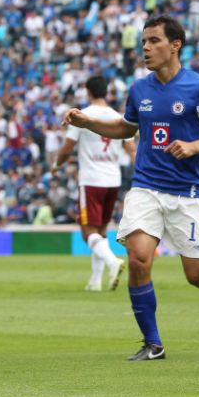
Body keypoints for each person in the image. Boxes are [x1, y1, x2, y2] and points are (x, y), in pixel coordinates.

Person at [63, 15, 199, 361]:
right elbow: (126, 128)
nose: (146, 48)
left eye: (153, 41)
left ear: (175, 45)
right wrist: (88, 121)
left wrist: (195, 147)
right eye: (144, 43)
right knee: (137, 258)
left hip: (189, 193)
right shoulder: (139, 89)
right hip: (146, 187)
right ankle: (153, 344)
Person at [52, 75, 137, 292]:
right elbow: (131, 150)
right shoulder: (119, 117)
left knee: (87, 232)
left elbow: (67, 147)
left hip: (91, 180)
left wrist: (56, 164)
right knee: (100, 231)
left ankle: (112, 262)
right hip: (113, 181)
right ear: (106, 92)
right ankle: (95, 281)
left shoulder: (82, 116)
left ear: (88, 92)